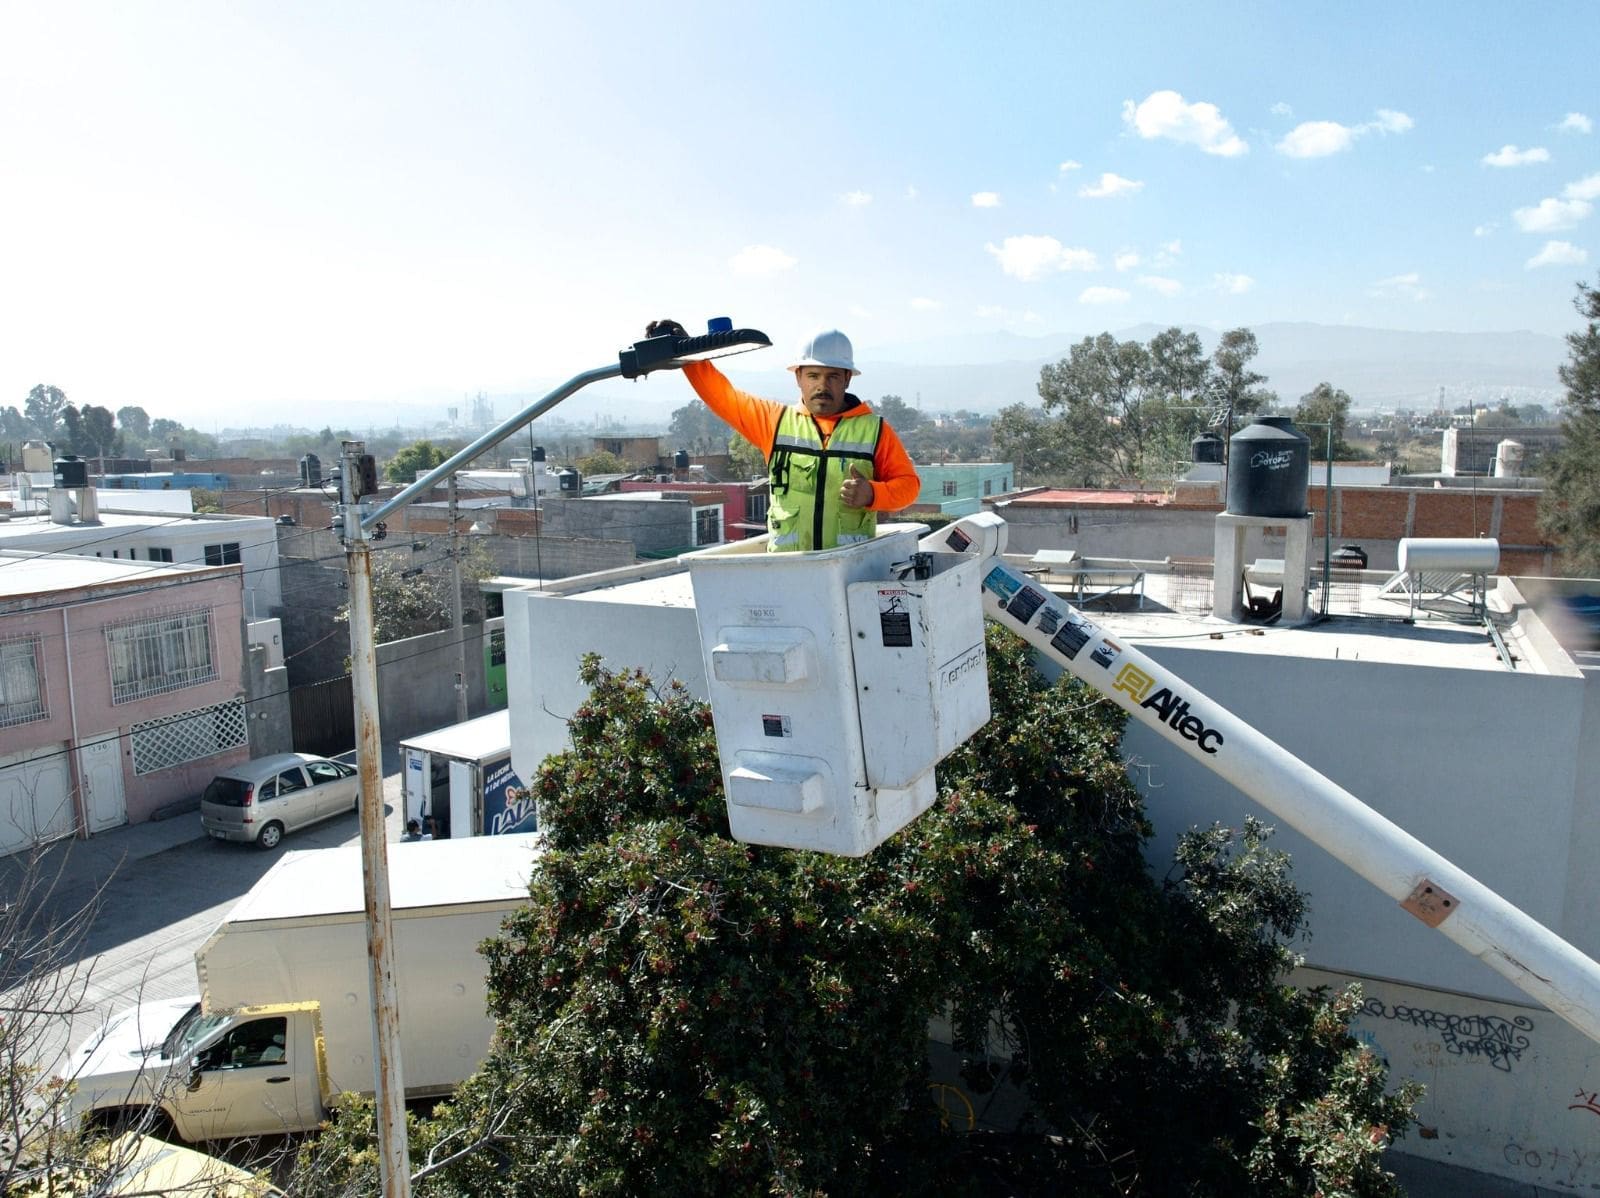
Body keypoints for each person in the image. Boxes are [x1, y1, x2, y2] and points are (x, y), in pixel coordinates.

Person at [648, 320, 920, 551]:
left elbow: (909, 486)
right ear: (798, 377)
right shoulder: (774, 422)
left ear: (847, 378)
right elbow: (722, 395)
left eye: (833, 377)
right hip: (788, 572)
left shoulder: (874, 431)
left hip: (848, 570)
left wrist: (873, 493)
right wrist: (687, 353)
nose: (822, 386)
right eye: (813, 376)